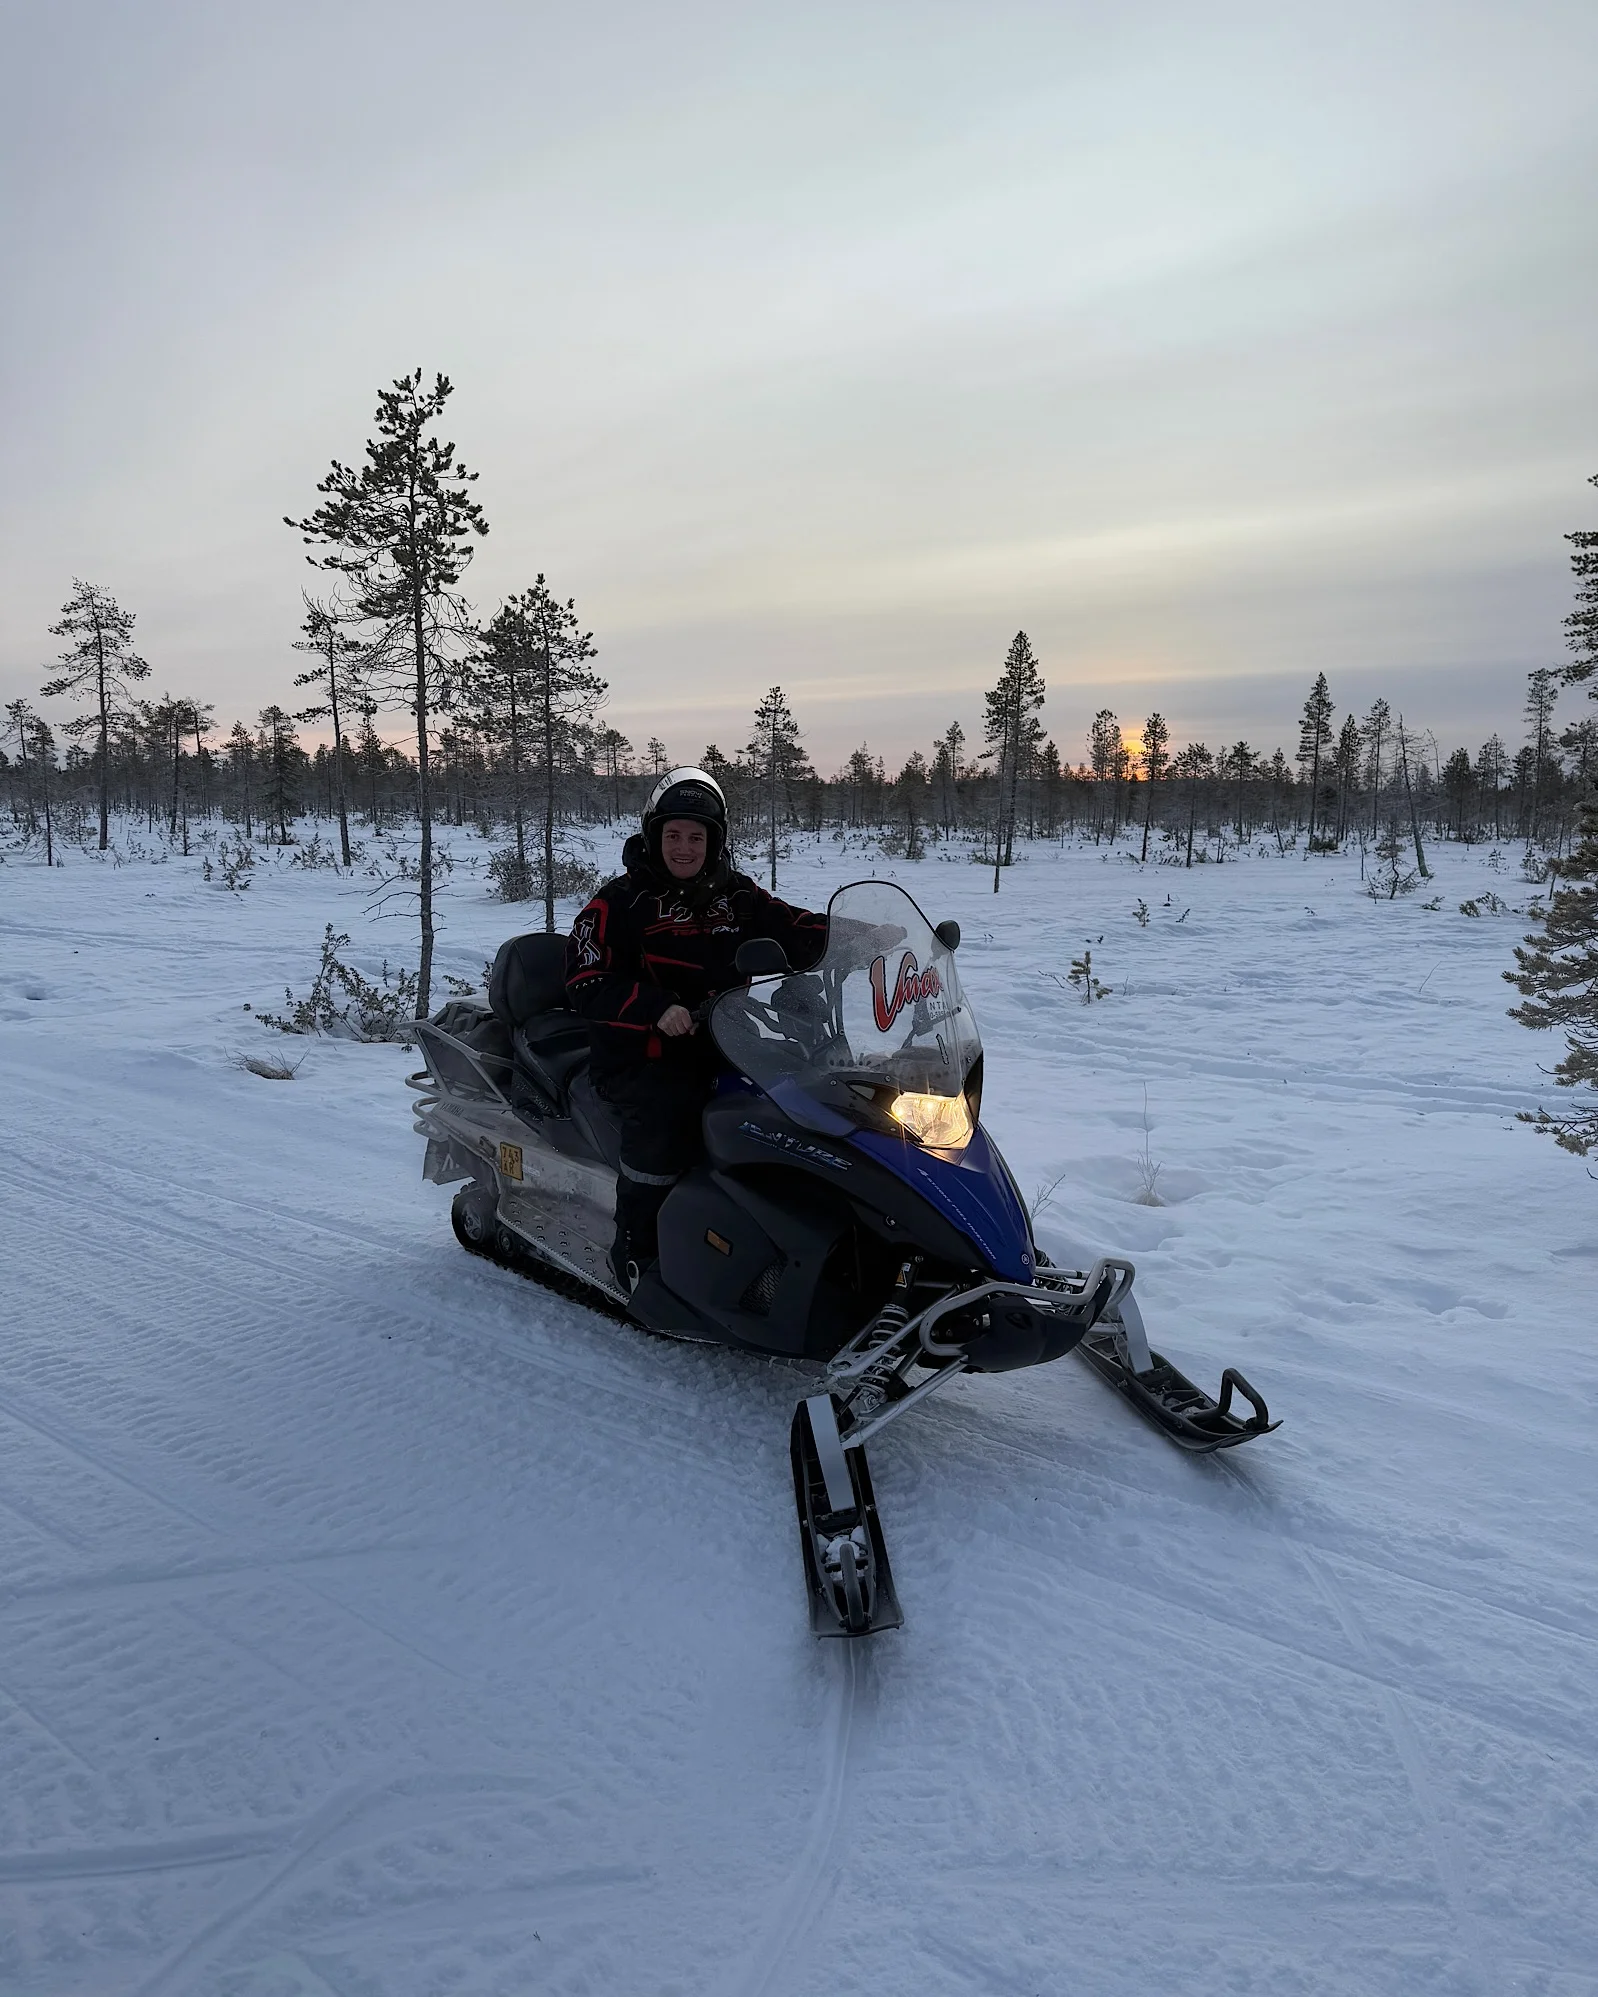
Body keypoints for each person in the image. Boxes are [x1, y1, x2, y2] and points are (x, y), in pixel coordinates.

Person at [565, 768, 827, 1291]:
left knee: (799, 1096)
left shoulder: (738, 896)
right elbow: (584, 978)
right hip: (642, 1052)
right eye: (673, 835)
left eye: (696, 837)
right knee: (668, 1115)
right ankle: (637, 1250)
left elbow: (794, 928)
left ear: (714, 842)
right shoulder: (620, 901)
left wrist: (863, 939)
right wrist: (656, 1006)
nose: (684, 848)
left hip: (723, 1039)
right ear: (654, 836)